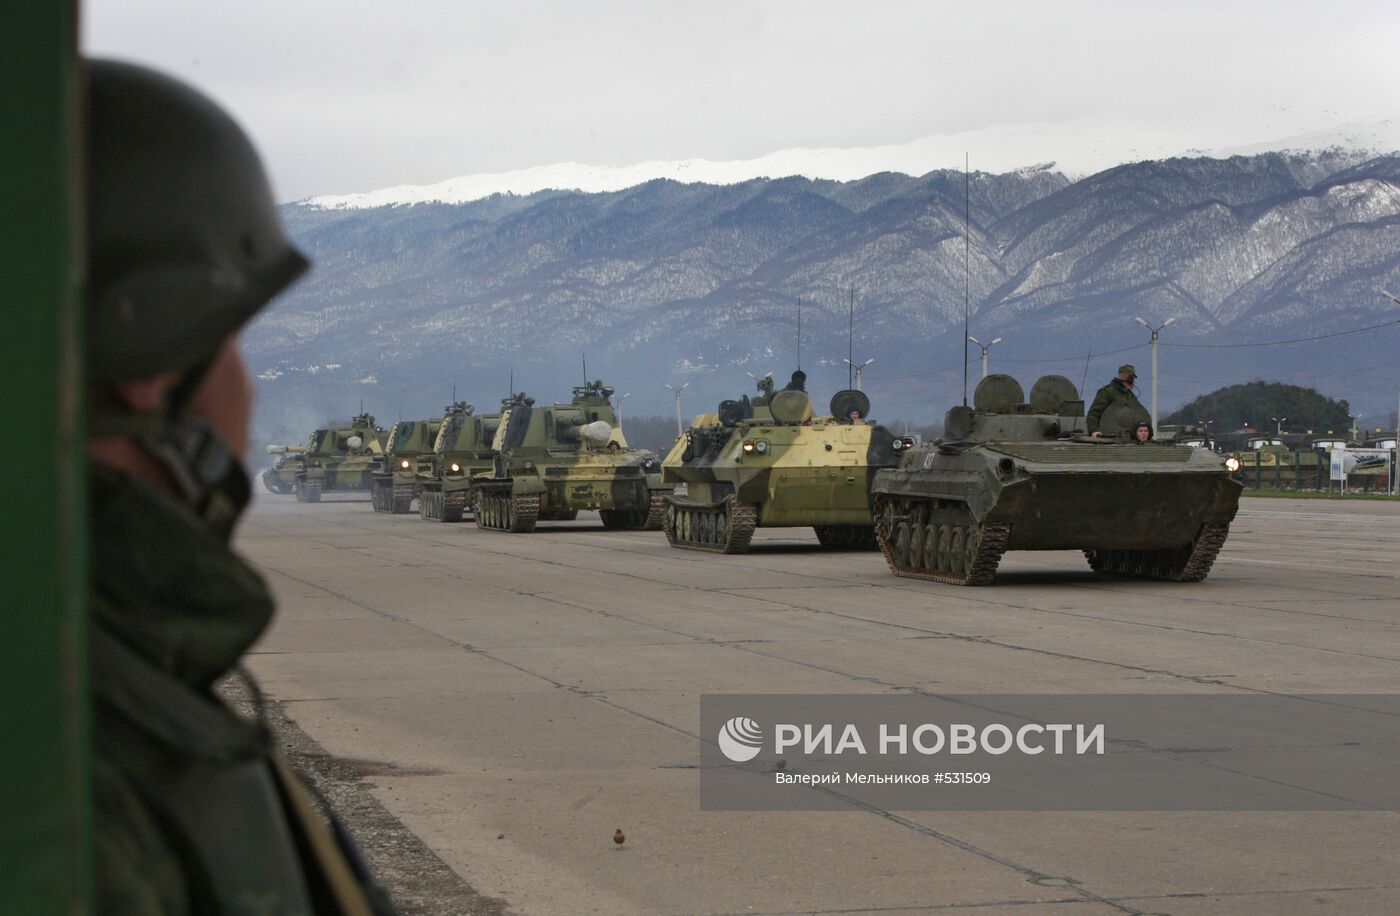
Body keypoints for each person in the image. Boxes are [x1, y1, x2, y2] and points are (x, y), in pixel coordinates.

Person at [86, 60, 392, 914]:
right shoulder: (85, 785)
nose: (248, 391)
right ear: (149, 373)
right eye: (230, 345)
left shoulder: (106, 680)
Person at [1087, 364, 1139, 436]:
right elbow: (1094, 413)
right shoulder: (1107, 392)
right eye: (1133, 379)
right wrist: (1094, 431)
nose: (1134, 383)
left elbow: (1137, 414)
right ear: (1130, 380)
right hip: (1108, 433)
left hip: (1126, 435)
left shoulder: (1130, 395)